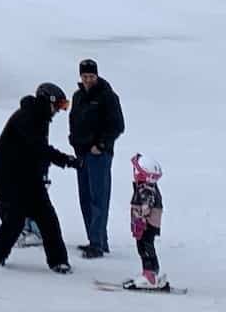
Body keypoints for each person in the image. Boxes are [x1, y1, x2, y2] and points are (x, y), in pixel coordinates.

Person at [0, 82, 80, 273]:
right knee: (15, 218)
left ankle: (58, 261)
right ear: (48, 101)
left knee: (48, 219)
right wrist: (66, 160)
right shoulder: (27, 117)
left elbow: (36, 152)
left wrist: (43, 172)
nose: (59, 111)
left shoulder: (41, 117)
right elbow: (39, 148)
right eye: (59, 106)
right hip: (8, 176)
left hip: (29, 176)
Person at [69, 58, 125, 258]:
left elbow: (117, 125)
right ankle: (96, 239)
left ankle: (98, 243)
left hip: (99, 155)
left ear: (97, 75)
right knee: (85, 197)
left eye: (91, 76)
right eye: (85, 76)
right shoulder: (77, 97)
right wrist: (74, 142)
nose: (88, 80)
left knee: (98, 198)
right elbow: (74, 120)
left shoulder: (107, 96)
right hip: (82, 154)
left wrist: (101, 145)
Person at [128, 153, 167, 290]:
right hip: (148, 224)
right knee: (148, 246)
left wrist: (141, 220)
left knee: (144, 247)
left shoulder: (146, 189)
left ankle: (149, 275)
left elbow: (146, 206)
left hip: (146, 225)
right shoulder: (147, 186)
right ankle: (152, 272)